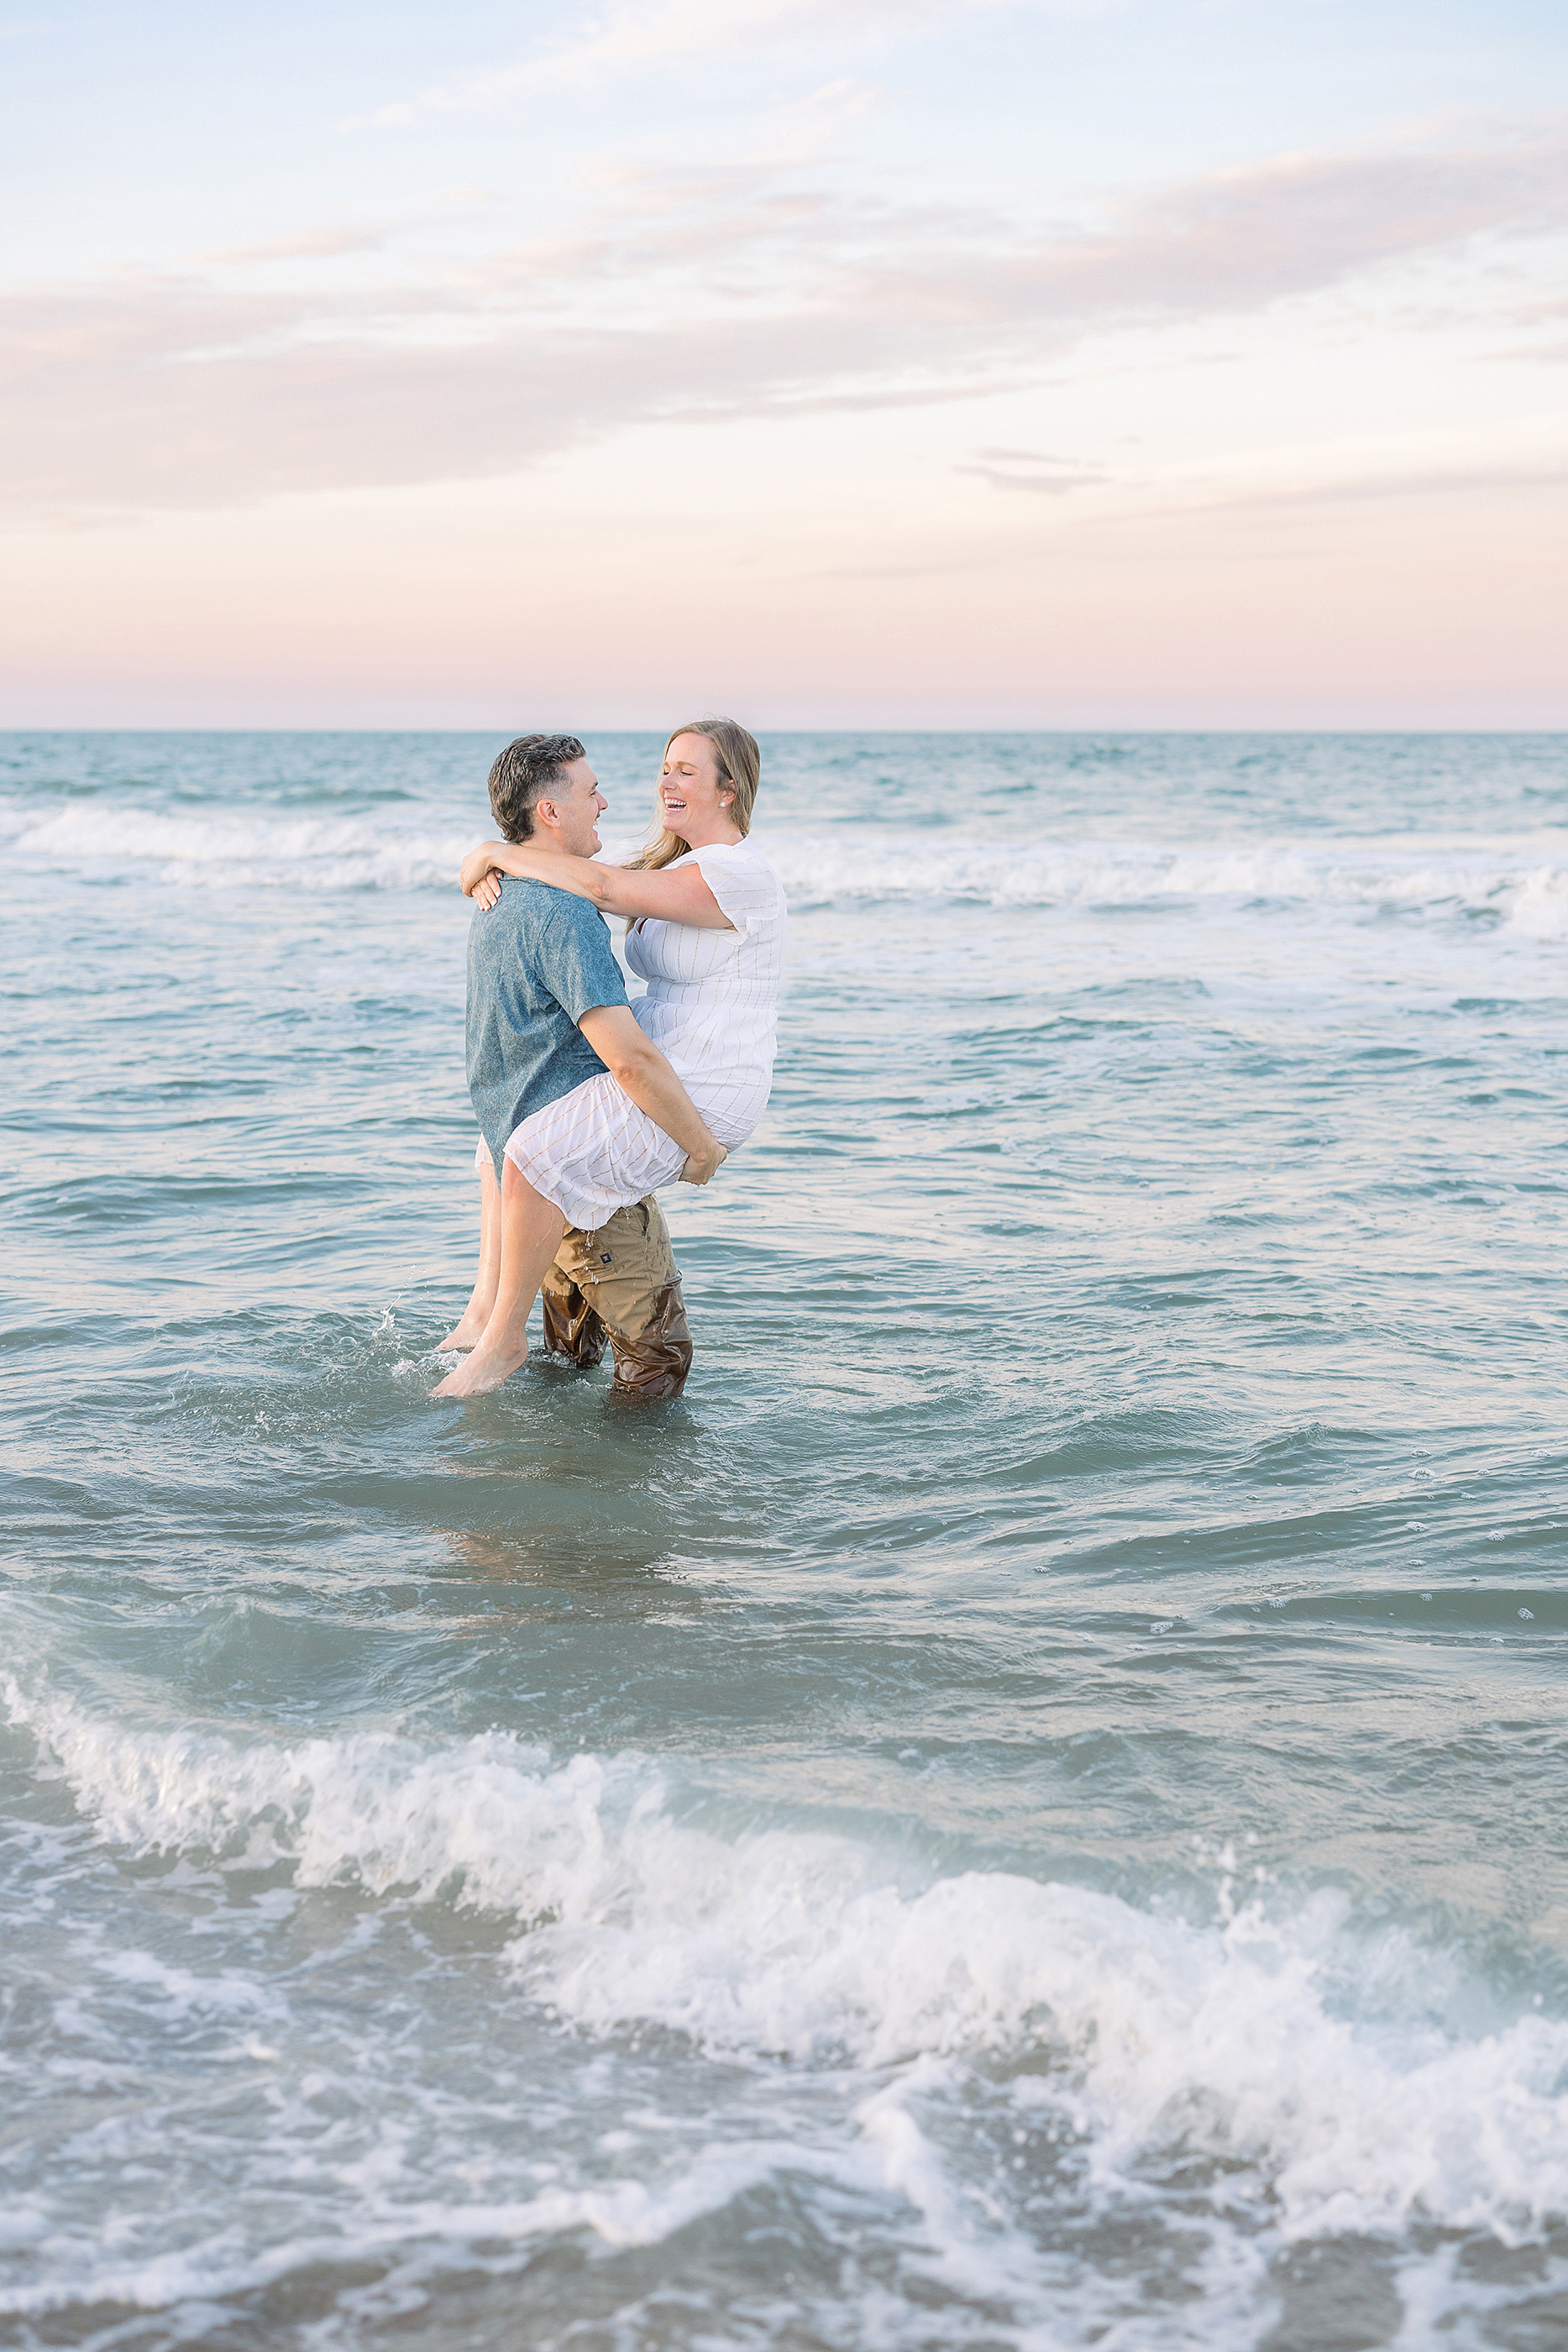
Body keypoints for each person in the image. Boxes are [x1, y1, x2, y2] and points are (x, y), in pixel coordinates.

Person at [435, 718, 786, 1400]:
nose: (665, 782)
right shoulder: (676, 868)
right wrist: (486, 858)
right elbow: (583, 877)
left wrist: (493, 852)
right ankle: (490, 1315)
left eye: (686, 770)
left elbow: (596, 888)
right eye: (665, 766)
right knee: (501, 1142)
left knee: (534, 1152)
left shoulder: (739, 877)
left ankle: (503, 1336)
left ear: (729, 788)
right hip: (658, 1062)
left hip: (709, 1077)